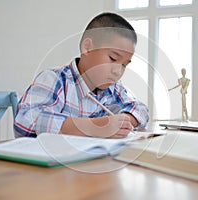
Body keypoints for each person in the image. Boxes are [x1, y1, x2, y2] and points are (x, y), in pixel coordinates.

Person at [14, 12, 149, 139]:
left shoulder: (113, 89)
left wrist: (123, 121)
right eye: (113, 58)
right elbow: (25, 122)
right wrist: (95, 127)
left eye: (124, 65)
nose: (118, 71)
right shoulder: (54, 80)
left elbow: (141, 109)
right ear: (88, 47)